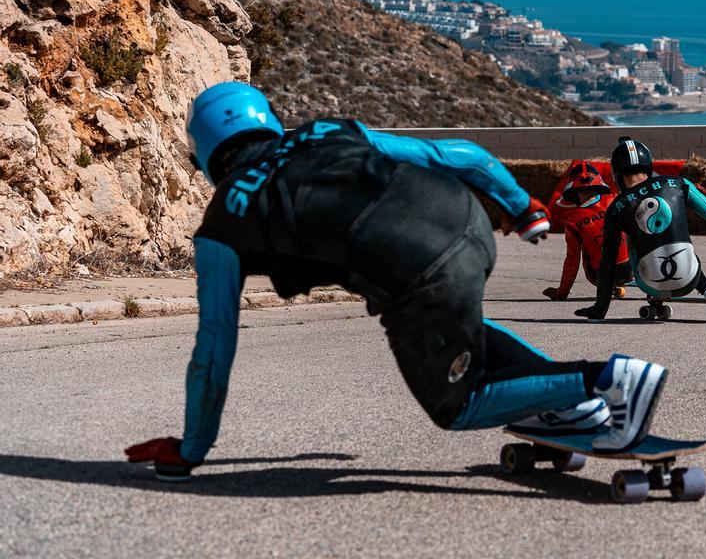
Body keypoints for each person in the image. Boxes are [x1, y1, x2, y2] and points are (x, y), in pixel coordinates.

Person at [124, 82, 670, 481]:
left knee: (457, 405)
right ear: (266, 120)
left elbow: (214, 347)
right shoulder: (326, 132)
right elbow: (458, 154)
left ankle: (605, 381)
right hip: (467, 221)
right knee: (460, 330)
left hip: (417, 270)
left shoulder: (221, 225)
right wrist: (518, 206)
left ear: (205, 154)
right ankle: (569, 407)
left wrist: (192, 449)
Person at [575, 137, 706, 321]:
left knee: (633, 234)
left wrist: (600, 308)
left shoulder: (615, 207)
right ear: (648, 165)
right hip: (689, 278)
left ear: (616, 173)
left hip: (649, 284)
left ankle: (657, 288)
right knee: (680, 240)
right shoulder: (679, 183)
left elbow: (607, 264)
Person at [542, 160, 633, 301]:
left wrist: (562, 292)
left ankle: (614, 285)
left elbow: (572, 261)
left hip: (598, 275)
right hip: (630, 269)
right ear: (598, 186)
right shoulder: (615, 199)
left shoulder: (572, 221)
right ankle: (623, 284)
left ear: (572, 191)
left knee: (583, 246)